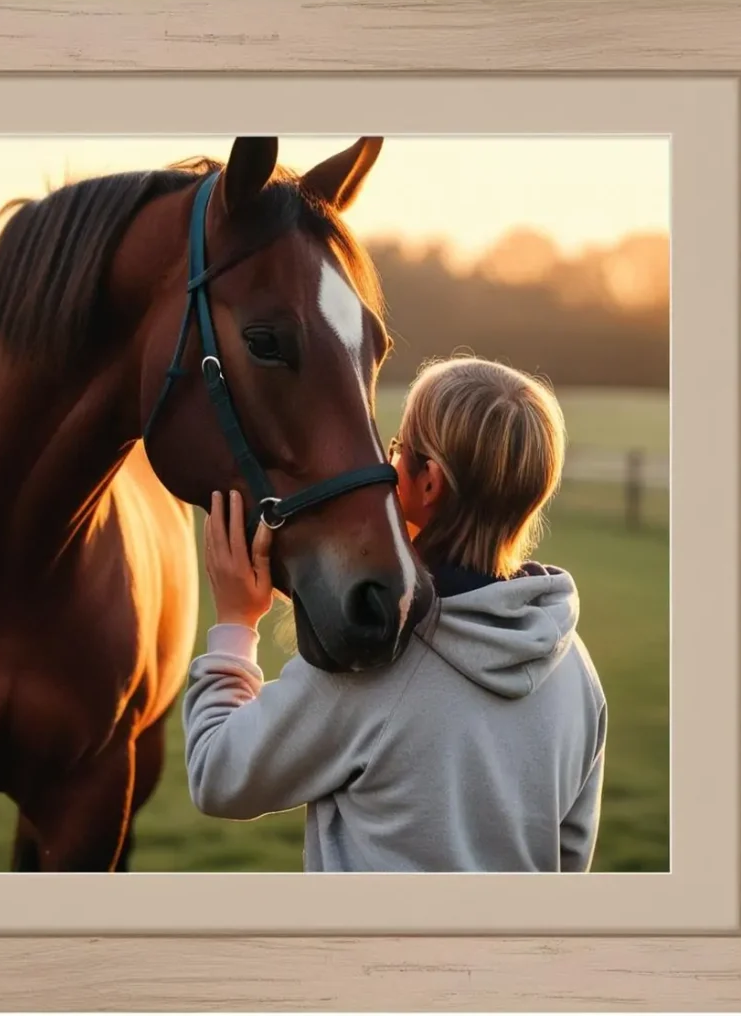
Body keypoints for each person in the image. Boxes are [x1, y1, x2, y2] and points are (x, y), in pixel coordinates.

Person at [183, 357, 607, 872]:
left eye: (398, 449)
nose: (388, 462)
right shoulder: (576, 669)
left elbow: (217, 775)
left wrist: (236, 620)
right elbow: (569, 863)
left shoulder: (375, 662)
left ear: (427, 482)